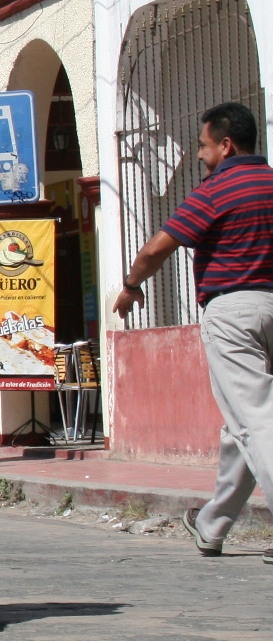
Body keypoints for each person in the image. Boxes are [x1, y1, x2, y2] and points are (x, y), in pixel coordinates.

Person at [114, 102, 273, 560]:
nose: (200, 156)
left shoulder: (217, 190)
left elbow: (155, 249)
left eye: (203, 147)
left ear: (226, 145)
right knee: (243, 423)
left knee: (256, 419)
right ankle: (212, 523)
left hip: (233, 313)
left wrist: (130, 286)